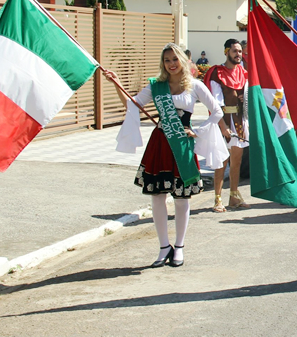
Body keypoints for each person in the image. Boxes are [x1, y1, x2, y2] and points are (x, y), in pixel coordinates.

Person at [104, 43, 228, 268]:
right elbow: (133, 105)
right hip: (160, 143)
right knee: (157, 196)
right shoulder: (156, 86)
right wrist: (117, 85)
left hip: (182, 145)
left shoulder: (195, 86)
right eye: (167, 60)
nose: (171, 64)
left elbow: (217, 111)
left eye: (174, 59)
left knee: (181, 198)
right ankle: (163, 247)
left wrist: (198, 131)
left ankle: (179, 246)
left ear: (182, 60)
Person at [204, 39, 251, 212]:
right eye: (235, 51)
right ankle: (217, 199)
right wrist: (223, 126)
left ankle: (234, 196)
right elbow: (215, 104)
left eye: (240, 51)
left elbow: (249, 96)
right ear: (226, 52)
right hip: (222, 120)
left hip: (240, 120)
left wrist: (244, 99)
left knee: (236, 161)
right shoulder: (217, 73)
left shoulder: (243, 72)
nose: (238, 54)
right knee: (221, 161)